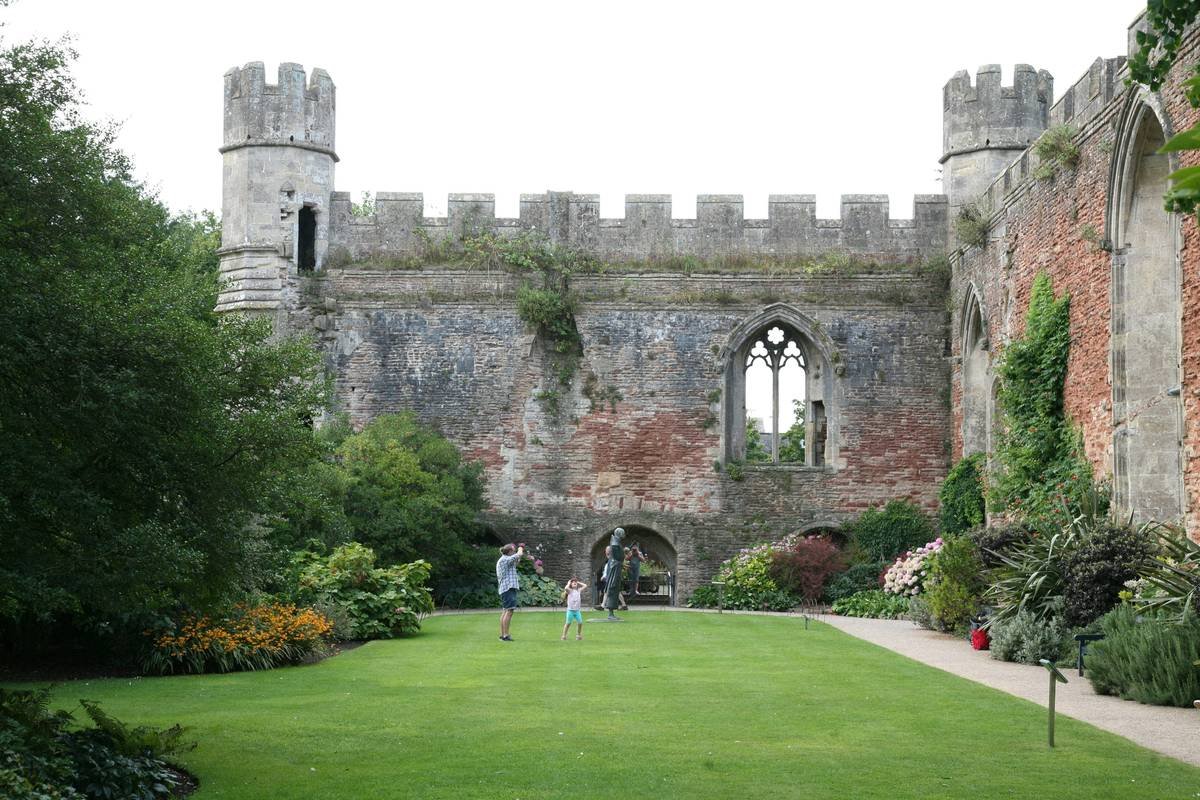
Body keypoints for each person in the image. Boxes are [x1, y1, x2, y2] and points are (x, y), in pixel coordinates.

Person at [496, 543, 524, 641]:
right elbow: (519, 555)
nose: (515, 551)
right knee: (509, 611)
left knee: (505, 611)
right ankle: (505, 635)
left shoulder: (505, 560)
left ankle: (503, 635)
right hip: (507, 588)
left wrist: (518, 556)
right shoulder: (505, 559)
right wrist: (521, 548)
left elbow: (516, 562)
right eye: (514, 550)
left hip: (506, 588)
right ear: (510, 551)